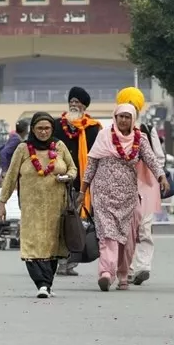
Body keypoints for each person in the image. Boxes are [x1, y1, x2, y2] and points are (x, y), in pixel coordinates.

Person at [84, 98, 169, 291]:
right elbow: (91, 165)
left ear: (133, 119)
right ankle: (106, 273)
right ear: (115, 117)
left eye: (127, 117)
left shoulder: (141, 139)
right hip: (104, 197)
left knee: (128, 239)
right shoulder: (104, 136)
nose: (123, 120)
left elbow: (151, 160)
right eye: (120, 116)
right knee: (108, 236)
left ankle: (123, 275)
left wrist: (162, 176)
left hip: (130, 198)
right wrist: (83, 189)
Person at [0, 114, 76, 297]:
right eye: (39, 128)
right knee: (31, 245)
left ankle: (46, 285)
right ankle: (42, 284)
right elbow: (10, 177)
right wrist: (2, 203)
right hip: (31, 208)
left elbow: (73, 168)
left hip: (56, 207)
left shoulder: (59, 147)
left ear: (52, 130)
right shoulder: (23, 149)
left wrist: (68, 177)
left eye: (47, 128)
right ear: (32, 129)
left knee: (53, 246)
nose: (43, 132)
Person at [56, 87, 101, 275]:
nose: (74, 104)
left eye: (78, 102)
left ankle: (72, 261)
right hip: (60, 180)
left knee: (77, 223)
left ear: (84, 106)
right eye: (71, 101)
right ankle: (60, 261)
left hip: (84, 183)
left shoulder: (93, 128)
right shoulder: (57, 125)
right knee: (60, 222)